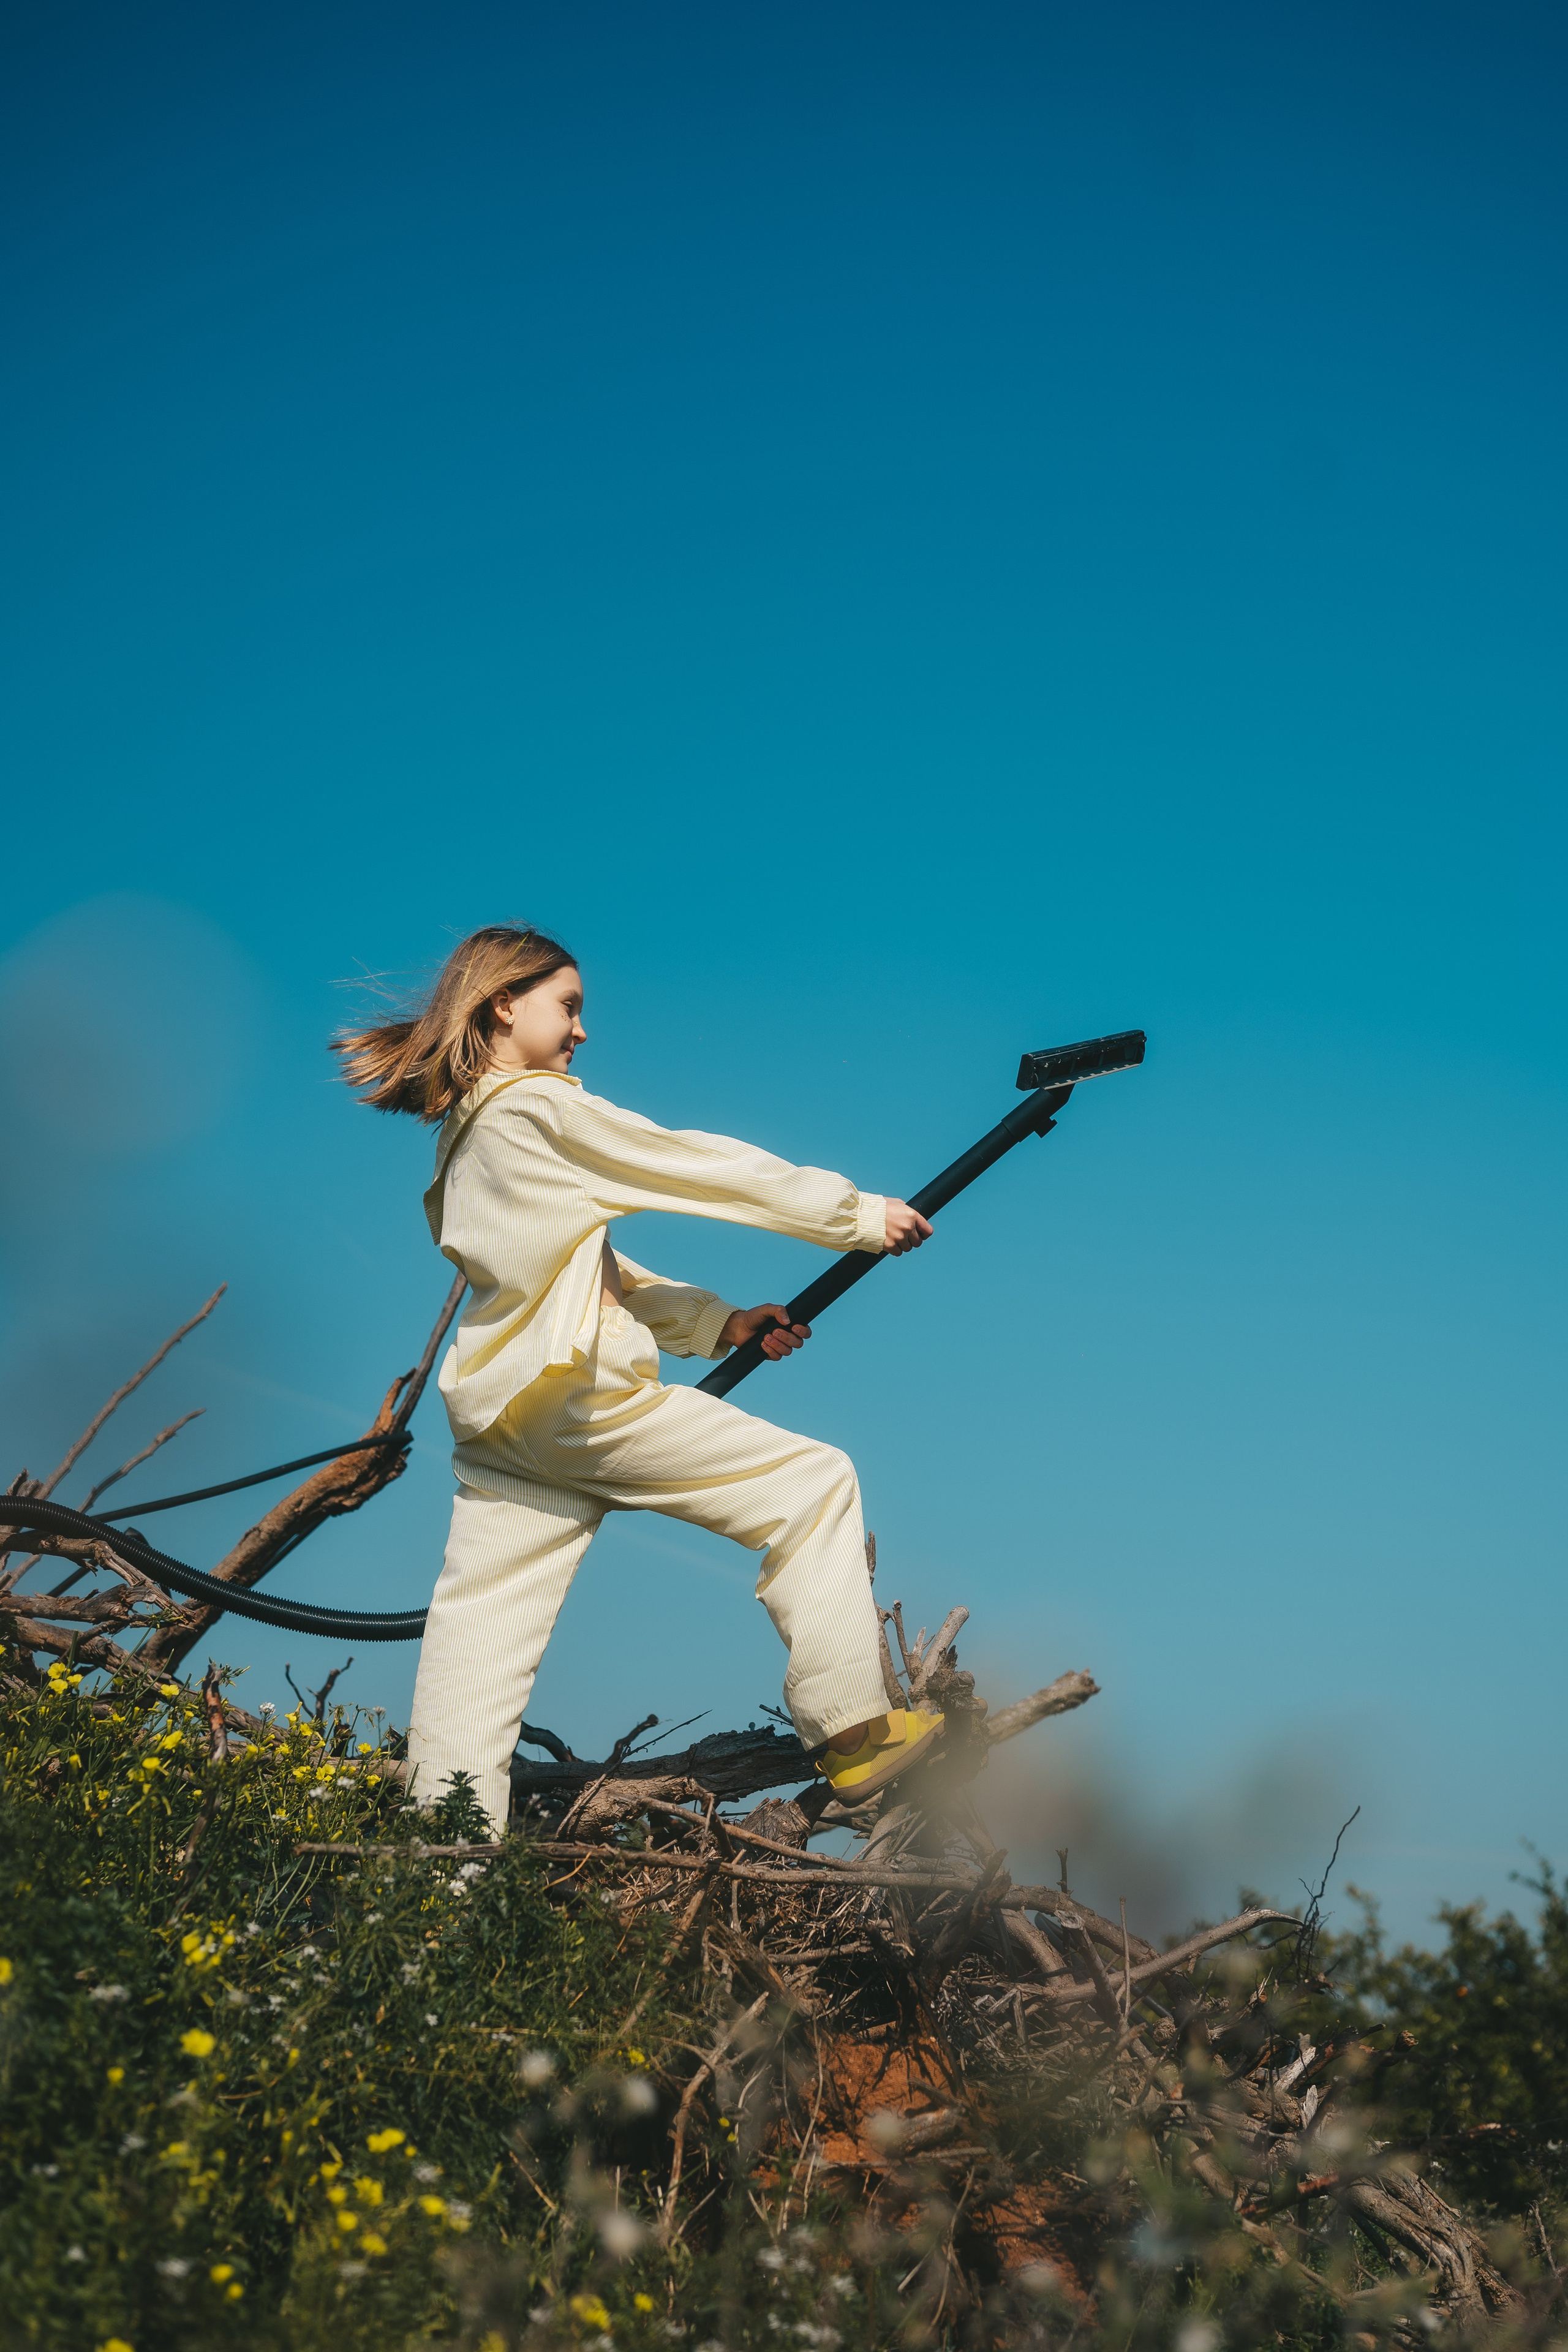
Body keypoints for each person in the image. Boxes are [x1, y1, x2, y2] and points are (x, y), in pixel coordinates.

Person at [334, 924, 941, 1834]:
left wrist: (716, 1324)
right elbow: (696, 1164)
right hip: (575, 1403)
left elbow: (594, 1270)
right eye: (568, 1006)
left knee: (476, 1658)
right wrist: (857, 1215)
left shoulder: (466, 1142)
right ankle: (853, 1735)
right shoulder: (537, 1109)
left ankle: (433, 1893)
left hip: (506, 1426)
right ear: (506, 1002)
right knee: (813, 1485)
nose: (582, 1032)